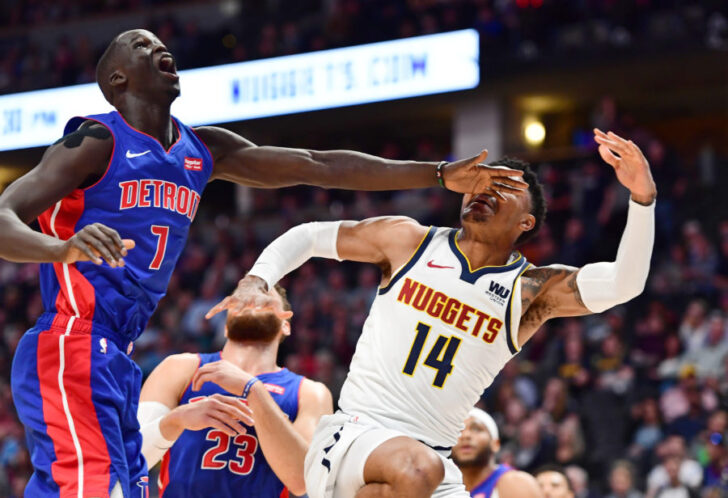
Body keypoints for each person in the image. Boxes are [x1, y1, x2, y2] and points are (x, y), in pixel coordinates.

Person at [2, 29, 526, 498]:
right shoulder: (96, 141)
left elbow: (316, 165)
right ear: (117, 79)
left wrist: (434, 174)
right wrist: (60, 249)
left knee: (107, 486)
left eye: (162, 42)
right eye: (141, 45)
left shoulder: (201, 148)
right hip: (72, 340)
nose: (160, 47)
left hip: (116, 350)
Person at [212, 129, 657, 497]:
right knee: (414, 468)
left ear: (527, 223)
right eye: (483, 183)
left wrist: (642, 198)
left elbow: (625, 283)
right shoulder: (410, 240)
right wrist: (258, 278)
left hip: (436, 463)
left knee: (413, 474)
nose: (486, 192)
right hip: (354, 434)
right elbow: (310, 235)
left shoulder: (531, 291)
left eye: (505, 189)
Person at [137, 284, 332, 497]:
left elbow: (301, 480)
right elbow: (133, 456)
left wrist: (254, 391)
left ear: (286, 325)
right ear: (226, 325)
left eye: (264, 294)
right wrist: (177, 420)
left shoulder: (310, 393)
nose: (253, 297)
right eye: (243, 295)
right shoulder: (180, 367)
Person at [452, 408, 541, 498]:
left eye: (476, 429)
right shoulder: (442, 485)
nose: (465, 436)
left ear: (495, 444)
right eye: (459, 431)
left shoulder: (517, 483)